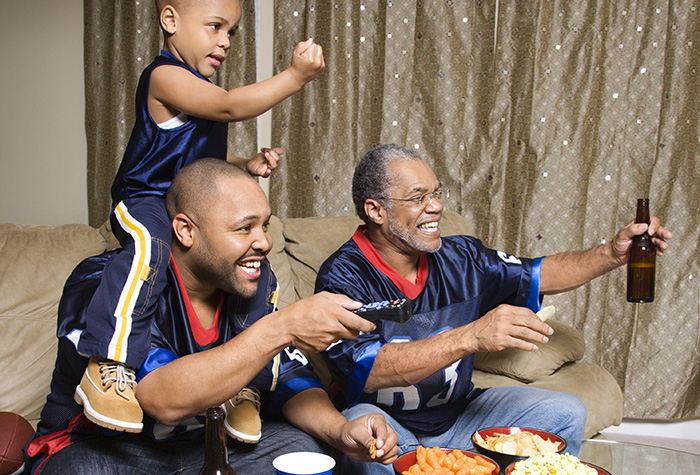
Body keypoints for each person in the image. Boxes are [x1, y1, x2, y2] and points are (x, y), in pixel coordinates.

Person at [315, 144, 673, 474]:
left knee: (565, 412)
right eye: (418, 197)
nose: (436, 206)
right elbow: (368, 371)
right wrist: (471, 336)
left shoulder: (462, 256)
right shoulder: (343, 275)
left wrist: (611, 253)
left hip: (461, 419)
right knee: (368, 434)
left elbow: (540, 273)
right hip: (389, 426)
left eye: (437, 193)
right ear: (375, 209)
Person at [24, 159, 398, 475]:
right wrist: (280, 328)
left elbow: (288, 377)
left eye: (265, 225)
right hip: (112, 451)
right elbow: (162, 399)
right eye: (244, 228)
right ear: (186, 230)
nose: (264, 242)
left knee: (303, 449)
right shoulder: (108, 282)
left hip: (211, 447)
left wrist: (343, 430)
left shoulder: (249, 286)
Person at [73, 0, 325, 439]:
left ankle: (243, 385)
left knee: (256, 267)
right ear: (170, 20)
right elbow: (229, 107)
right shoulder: (165, 75)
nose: (225, 41)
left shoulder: (195, 93)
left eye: (231, 31)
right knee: (152, 247)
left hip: (186, 200)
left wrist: (245, 164)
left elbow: (201, 160)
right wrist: (294, 77)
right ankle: (109, 365)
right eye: (215, 26)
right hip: (146, 197)